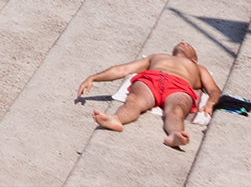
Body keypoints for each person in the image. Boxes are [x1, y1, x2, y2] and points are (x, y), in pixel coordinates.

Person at [76, 43, 222, 148]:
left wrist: (211, 102)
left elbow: (214, 90)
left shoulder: (198, 68)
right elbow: (123, 69)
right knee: (134, 100)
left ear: (193, 60)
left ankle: (175, 135)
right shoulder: (157, 57)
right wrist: (93, 78)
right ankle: (116, 119)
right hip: (152, 78)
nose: (184, 43)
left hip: (179, 86)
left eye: (189, 46)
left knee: (176, 110)